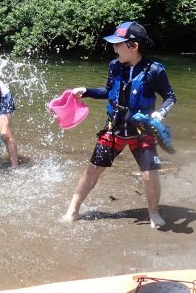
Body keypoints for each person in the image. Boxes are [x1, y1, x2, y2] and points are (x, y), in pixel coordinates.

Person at [60, 21, 176, 228]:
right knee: (92, 170)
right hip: (114, 128)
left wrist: (161, 112)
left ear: (134, 46)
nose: (113, 48)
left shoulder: (154, 70)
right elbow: (108, 92)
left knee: (150, 175)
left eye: (118, 44)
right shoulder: (115, 66)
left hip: (142, 131)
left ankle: (154, 212)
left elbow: (170, 97)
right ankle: (73, 211)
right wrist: (86, 91)